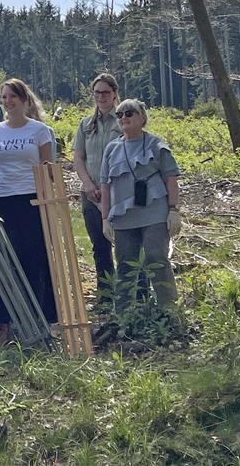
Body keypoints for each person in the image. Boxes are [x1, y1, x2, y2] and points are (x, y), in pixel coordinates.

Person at [0, 78, 57, 345]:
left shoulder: (40, 131)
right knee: (2, 262)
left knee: (33, 261)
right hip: (4, 200)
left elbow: (48, 168)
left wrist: (48, 201)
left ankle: (38, 322)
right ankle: (4, 325)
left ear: (24, 100)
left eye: (13, 96)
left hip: (32, 200)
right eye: (3, 97)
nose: (7, 101)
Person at [99, 99, 181, 310]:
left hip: (155, 213)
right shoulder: (112, 148)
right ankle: (124, 314)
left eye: (129, 113)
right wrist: (105, 218)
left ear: (142, 117)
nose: (124, 118)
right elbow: (105, 186)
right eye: (119, 114)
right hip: (124, 218)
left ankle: (168, 309)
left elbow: (171, 179)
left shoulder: (156, 144)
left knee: (156, 257)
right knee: (125, 264)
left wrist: (173, 211)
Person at [73, 74, 121, 299]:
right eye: (97, 93)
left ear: (114, 94)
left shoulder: (123, 119)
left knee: (124, 243)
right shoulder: (85, 124)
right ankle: (106, 292)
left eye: (105, 92)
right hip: (91, 194)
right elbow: (78, 158)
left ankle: (129, 291)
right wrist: (88, 185)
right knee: (99, 246)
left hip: (119, 193)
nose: (101, 97)